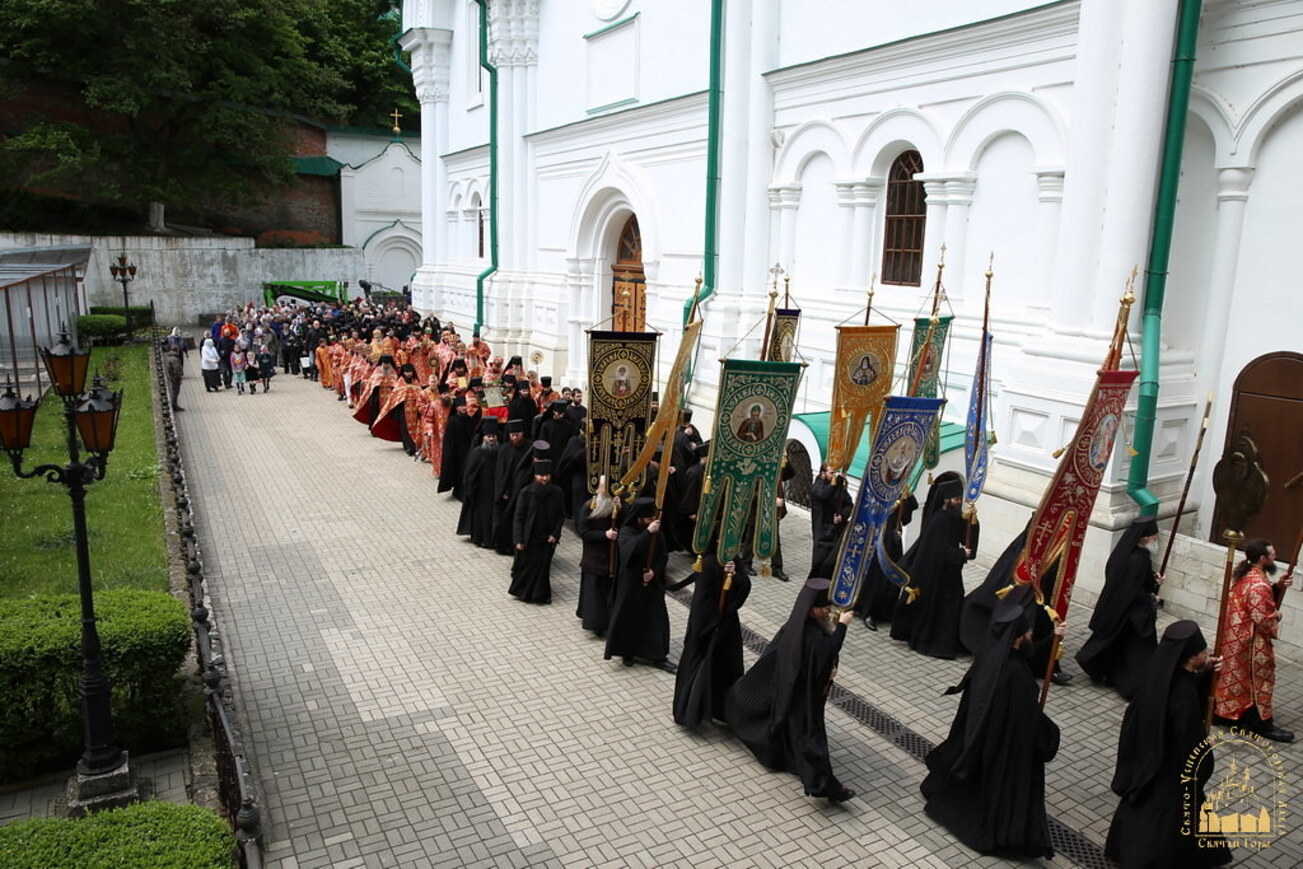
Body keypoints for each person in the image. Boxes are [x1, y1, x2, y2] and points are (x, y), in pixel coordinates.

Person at [921, 584, 1059, 860]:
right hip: (1004, 746)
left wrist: (1053, 638)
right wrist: (1050, 734)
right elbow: (1028, 722)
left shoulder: (991, 653)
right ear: (1018, 638)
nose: (1032, 634)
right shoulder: (1017, 676)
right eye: (1029, 631)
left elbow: (1028, 655)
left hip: (985, 739)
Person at [1106, 621, 1231, 868]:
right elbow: (1191, 743)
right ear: (1191, 657)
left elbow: (1181, 685)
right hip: (1171, 770)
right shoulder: (1183, 696)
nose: (1207, 654)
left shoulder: (1159, 675)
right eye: (1203, 652)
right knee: (1163, 824)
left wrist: (1205, 673)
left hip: (1150, 758)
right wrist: (1202, 767)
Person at [725, 577, 856, 803]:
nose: (828, 611)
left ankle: (812, 776)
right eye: (824, 608)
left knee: (800, 738)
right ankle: (824, 786)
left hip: (791, 693)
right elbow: (827, 650)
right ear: (812, 610)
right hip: (802, 698)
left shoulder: (794, 626)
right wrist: (842, 626)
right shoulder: (812, 636)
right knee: (810, 742)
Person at [1212, 538, 1294, 742]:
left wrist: (1277, 586)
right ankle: (1261, 723)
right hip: (1250, 643)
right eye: (1272, 554)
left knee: (1236, 680)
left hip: (1235, 638)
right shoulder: (1258, 584)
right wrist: (1276, 616)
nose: (1276, 557)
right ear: (1262, 558)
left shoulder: (1249, 575)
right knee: (1259, 679)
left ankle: (1229, 714)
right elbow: (1261, 618)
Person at [890, 472, 977, 659]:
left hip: (948, 574)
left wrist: (972, 521)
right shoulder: (939, 520)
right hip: (936, 576)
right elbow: (940, 551)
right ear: (946, 499)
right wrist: (961, 553)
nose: (958, 502)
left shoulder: (951, 516)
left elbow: (963, 534)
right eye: (956, 499)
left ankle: (947, 643)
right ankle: (937, 645)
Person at [1076, 516, 1162, 699]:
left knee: (1113, 643)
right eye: (1155, 535)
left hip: (1116, 607)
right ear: (1145, 537)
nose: (1157, 539)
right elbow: (1137, 590)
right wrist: (1151, 597)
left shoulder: (1123, 552)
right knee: (1137, 653)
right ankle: (1135, 687)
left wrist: (1152, 581)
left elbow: (1128, 581)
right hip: (1133, 615)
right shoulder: (1140, 559)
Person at [672, 553, 751, 727]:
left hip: (728, 623)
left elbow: (745, 586)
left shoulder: (734, 559)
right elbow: (702, 599)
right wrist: (711, 624)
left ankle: (725, 712)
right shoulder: (707, 563)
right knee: (699, 667)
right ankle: (691, 712)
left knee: (728, 667)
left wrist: (736, 576)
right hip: (708, 625)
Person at [604, 497, 676, 671]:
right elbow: (630, 551)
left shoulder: (657, 532)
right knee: (629, 618)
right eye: (648, 519)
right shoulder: (628, 531)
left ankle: (657, 655)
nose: (652, 522)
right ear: (639, 519)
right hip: (631, 584)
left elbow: (663, 556)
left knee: (656, 618)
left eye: (653, 519)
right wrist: (647, 533)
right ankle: (627, 652)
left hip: (651, 584)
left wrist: (654, 572)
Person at [855, 490, 917, 630]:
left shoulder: (901, 491)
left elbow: (906, 517)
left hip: (893, 540)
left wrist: (908, 495)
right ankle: (868, 611)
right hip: (878, 538)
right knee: (875, 577)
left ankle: (885, 610)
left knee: (890, 577)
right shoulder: (880, 488)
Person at [509, 459, 565, 604]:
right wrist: (518, 539)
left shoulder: (557, 493)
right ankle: (525, 593)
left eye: (547, 475)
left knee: (543, 568)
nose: (544, 478)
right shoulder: (526, 493)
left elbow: (560, 516)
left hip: (546, 538)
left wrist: (555, 534)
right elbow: (519, 518)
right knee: (527, 567)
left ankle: (540, 595)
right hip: (529, 538)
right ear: (535, 476)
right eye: (541, 475)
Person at [576, 476, 619, 637]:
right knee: (595, 593)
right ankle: (596, 624)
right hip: (594, 557)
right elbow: (584, 532)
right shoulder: (589, 507)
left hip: (611, 558)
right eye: (603, 487)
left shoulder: (616, 506)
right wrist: (604, 535)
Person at [807, 465, 853, 580]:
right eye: (832, 473)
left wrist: (842, 516)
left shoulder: (838, 487)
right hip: (822, 533)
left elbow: (849, 504)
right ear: (823, 473)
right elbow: (824, 495)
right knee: (819, 564)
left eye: (835, 473)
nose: (834, 476)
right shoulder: (816, 487)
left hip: (836, 532)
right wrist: (837, 481)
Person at [164, 343, 185, 411]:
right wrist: (179, 378)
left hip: (170, 376)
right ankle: (174, 405)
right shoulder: (175, 359)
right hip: (174, 378)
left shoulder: (168, 357)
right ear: (177, 350)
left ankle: (174, 404)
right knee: (175, 391)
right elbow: (177, 370)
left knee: (174, 391)